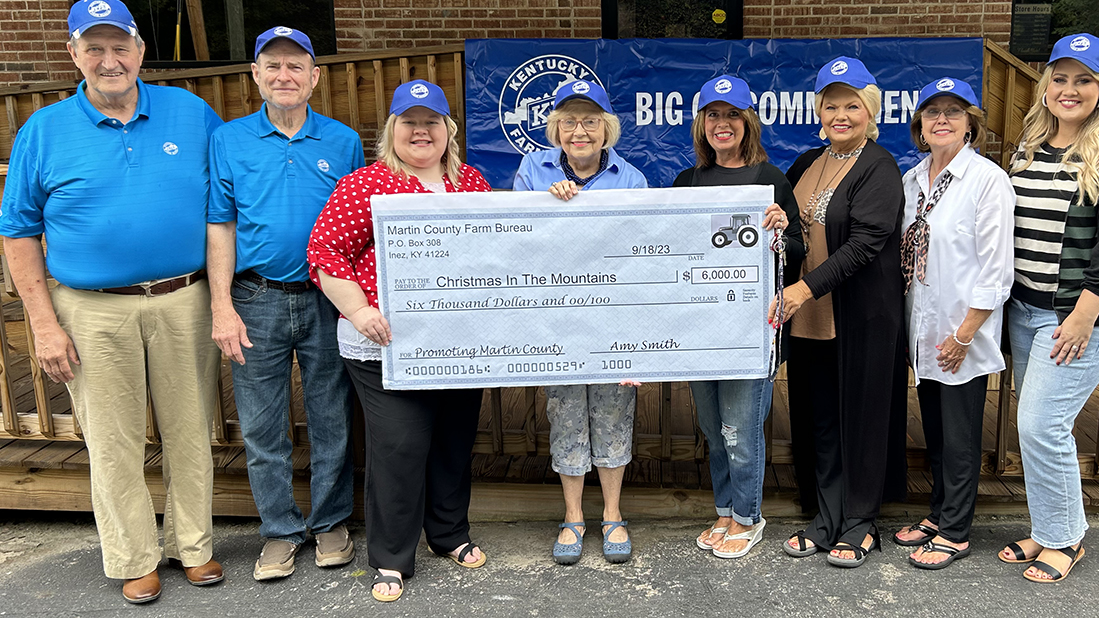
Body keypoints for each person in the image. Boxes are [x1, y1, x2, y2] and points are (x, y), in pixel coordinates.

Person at [0, 0, 224, 603]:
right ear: (73, 54)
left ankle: (193, 545)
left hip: (184, 297)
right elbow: (18, 230)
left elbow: (222, 209)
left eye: (119, 45)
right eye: (93, 47)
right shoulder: (43, 129)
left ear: (140, 51)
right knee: (112, 438)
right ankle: (132, 555)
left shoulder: (191, 114)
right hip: (91, 307)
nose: (109, 59)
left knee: (190, 429)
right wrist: (43, 324)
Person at [307, 80, 490, 601]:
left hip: (459, 342)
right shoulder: (366, 185)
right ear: (393, 130)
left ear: (447, 131)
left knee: (453, 442)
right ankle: (390, 556)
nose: (420, 131)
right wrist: (359, 310)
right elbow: (324, 254)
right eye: (409, 122)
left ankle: (449, 533)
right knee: (401, 445)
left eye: (431, 122)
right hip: (385, 343)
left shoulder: (470, 183)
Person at [207, 27, 363, 581]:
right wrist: (222, 305)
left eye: (296, 66)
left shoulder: (343, 141)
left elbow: (357, 230)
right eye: (272, 66)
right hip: (255, 298)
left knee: (331, 417)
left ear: (315, 77)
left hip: (325, 298)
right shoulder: (229, 140)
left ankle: (330, 523)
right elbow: (220, 225)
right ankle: (278, 529)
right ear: (255, 75)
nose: (284, 76)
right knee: (261, 425)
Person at [998, 34, 1099, 583]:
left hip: (1080, 316)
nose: (1070, 89)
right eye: (1060, 78)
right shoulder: (1031, 146)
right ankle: (1046, 527)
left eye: (1084, 79)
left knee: (1043, 424)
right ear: (1045, 87)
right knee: (1034, 424)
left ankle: (1066, 539)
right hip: (1025, 308)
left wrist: (1081, 318)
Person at [774, 57, 907, 568]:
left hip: (860, 317)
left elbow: (867, 242)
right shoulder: (807, 160)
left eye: (852, 105)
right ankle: (826, 515)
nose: (841, 114)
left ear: (871, 112)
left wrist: (804, 289)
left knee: (862, 418)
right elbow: (785, 218)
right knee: (820, 418)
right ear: (819, 112)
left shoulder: (880, 166)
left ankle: (860, 521)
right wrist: (774, 217)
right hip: (808, 318)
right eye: (831, 105)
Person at [513, 80, 648, 564]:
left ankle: (613, 514)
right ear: (555, 128)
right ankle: (573, 516)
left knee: (614, 414)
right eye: (569, 120)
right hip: (557, 321)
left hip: (613, 319)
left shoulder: (630, 179)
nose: (580, 131)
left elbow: (640, 254)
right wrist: (546, 205)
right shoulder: (533, 170)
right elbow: (519, 241)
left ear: (607, 128)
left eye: (590, 120)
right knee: (566, 414)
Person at [673, 74, 804, 559]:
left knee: (741, 430)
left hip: (751, 329)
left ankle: (749, 518)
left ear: (748, 122)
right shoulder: (687, 183)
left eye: (732, 115)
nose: (722, 123)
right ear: (701, 124)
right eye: (713, 115)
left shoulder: (769, 180)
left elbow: (796, 251)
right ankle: (725, 511)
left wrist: (782, 227)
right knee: (713, 429)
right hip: (702, 331)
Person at [891, 78, 1015, 569]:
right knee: (938, 431)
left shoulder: (987, 180)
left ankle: (957, 531)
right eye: (932, 112)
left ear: (970, 124)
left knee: (960, 436)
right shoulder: (912, 180)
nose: (942, 119)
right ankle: (940, 514)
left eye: (953, 112)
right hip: (925, 330)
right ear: (920, 125)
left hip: (961, 333)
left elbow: (996, 269)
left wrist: (965, 335)